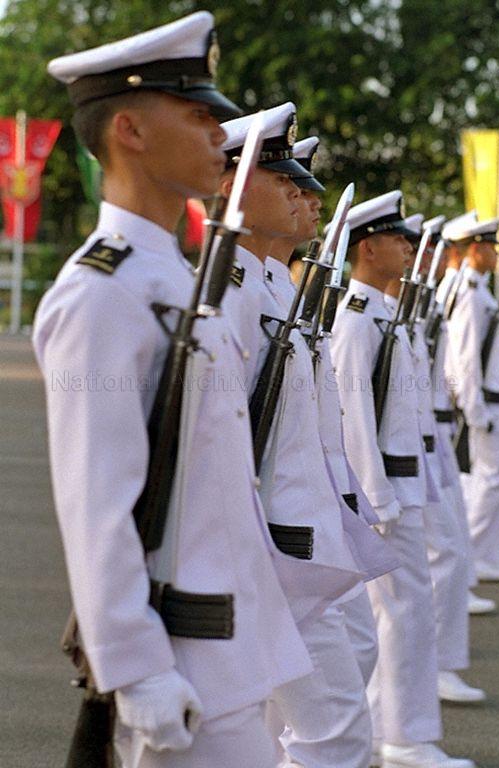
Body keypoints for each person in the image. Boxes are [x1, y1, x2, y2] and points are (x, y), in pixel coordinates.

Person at [32, 14, 314, 768]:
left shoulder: (171, 280)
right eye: (198, 115)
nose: (220, 133)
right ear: (129, 129)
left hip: (229, 648)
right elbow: (98, 502)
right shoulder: (102, 293)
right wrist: (136, 669)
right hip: (178, 666)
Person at [220, 107, 373, 768]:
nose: (300, 195)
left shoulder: (273, 282)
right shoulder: (232, 291)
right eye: (281, 177)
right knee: (335, 730)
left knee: (305, 714)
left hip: (307, 529)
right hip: (275, 542)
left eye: (300, 183)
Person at [330, 190, 474, 768]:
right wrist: (377, 498)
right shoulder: (358, 320)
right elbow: (354, 414)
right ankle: (403, 736)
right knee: (400, 611)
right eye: (399, 239)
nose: (410, 249)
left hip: (407, 484)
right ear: (369, 248)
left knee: (402, 610)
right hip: (387, 493)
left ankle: (393, 731)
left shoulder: (384, 312)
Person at [267, 134, 398, 689]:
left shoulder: (284, 294)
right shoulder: (246, 297)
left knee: (351, 662)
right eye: (287, 183)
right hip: (283, 528)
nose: (308, 198)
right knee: (329, 712)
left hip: (321, 512)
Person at [395, 214, 485, 705]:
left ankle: (437, 671)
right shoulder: (367, 315)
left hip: (429, 441)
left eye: (425, 248)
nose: (419, 256)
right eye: (409, 245)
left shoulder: (415, 303)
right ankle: (405, 710)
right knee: (414, 584)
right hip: (404, 459)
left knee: (450, 554)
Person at [441, 214, 499, 583]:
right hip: (486, 402)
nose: (496, 256)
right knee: (493, 480)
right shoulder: (469, 294)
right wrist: (475, 410)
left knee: (496, 479)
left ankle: (486, 556)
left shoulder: (477, 289)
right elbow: (465, 359)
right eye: (490, 249)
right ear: (476, 249)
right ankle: (472, 554)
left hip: (496, 400)